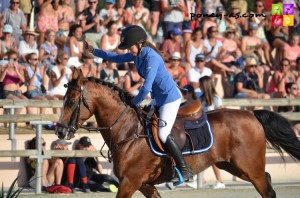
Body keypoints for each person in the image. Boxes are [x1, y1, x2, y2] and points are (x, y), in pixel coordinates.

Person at [84, 25, 194, 182]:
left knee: (162, 133)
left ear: (140, 43)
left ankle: (184, 169)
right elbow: (115, 57)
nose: (129, 50)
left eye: (130, 47)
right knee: (144, 124)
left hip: (170, 98)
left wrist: (134, 103)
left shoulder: (152, 58)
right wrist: (94, 51)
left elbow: (146, 88)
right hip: (158, 97)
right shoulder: (137, 54)